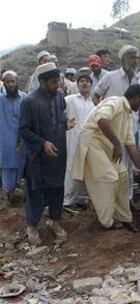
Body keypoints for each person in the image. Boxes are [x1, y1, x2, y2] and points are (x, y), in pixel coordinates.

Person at [71, 84, 140, 230]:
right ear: (137, 97)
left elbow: (130, 144)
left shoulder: (127, 115)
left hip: (107, 148)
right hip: (92, 143)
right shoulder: (115, 101)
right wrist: (117, 144)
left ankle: (123, 217)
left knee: (123, 175)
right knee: (109, 178)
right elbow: (102, 120)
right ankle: (107, 221)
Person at [19, 62, 74, 246]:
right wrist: (42, 143)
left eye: (58, 81)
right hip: (38, 158)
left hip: (58, 153)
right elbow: (24, 131)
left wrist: (66, 123)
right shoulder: (29, 101)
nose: (57, 85)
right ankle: (32, 226)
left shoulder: (59, 96)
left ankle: (54, 222)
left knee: (58, 189)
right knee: (36, 192)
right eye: (52, 82)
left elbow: (60, 116)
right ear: (41, 81)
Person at [93, 45, 140, 204]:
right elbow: (95, 96)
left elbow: (139, 104)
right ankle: (108, 201)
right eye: (132, 57)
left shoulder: (138, 78)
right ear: (123, 59)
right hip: (110, 129)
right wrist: (102, 114)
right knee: (111, 164)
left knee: (127, 167)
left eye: (136, 57)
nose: (135, 61)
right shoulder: (110, 76)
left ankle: (127, 200)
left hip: (130, 126)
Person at [63, 72, 95, 207]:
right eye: (82, 81)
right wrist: (64, 123)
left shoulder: (94, 102)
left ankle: (82, 198)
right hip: (72, 138)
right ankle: (68, 199)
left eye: (87, 81)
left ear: (91, 84)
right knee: (71, 167)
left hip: (89, 140)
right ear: (77, 84)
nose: (84, 83)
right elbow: (59, 113)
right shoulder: (70, 99)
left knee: (86, 168)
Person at [0, 71, 26, 204]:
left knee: (21, 169)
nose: (10, 84)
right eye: (7, 82)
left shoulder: (25, 98)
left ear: (17, 82)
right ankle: (8, 197)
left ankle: (20, 198)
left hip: (22, 142)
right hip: (5, 142)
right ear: (3, 83)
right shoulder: (0, 99)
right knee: (7, 170)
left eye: (12, 81)